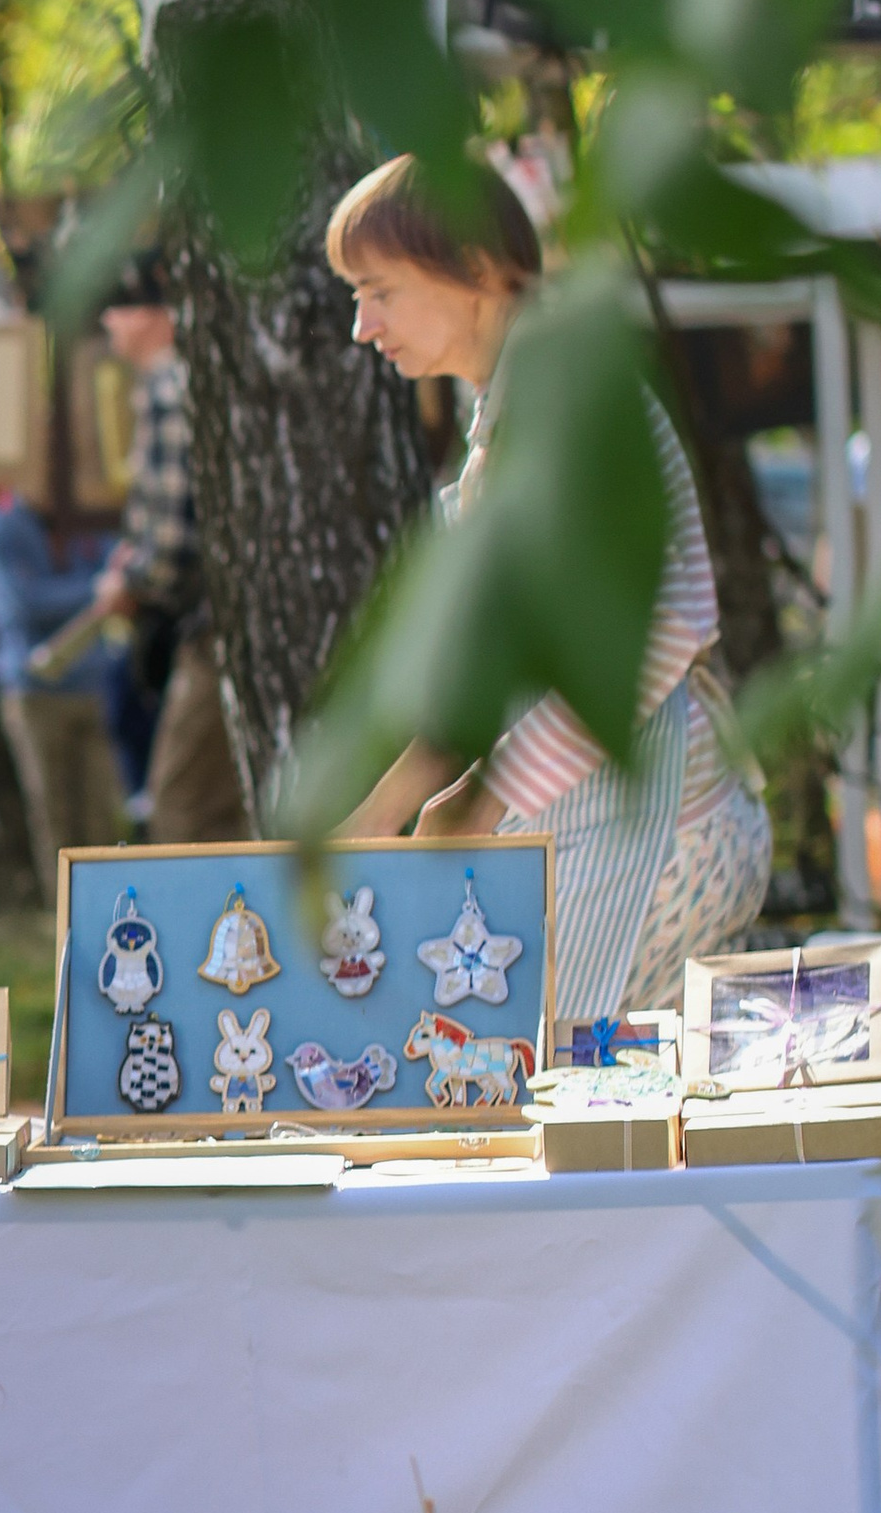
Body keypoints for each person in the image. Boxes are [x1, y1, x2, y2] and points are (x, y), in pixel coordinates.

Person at [327, 151, 771, 1018]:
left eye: (379, 291)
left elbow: (650, 641)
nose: (362, 326)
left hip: (654, 844)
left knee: (572, 1096)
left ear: (477, 269)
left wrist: (481, 799)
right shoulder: (513, 406)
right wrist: (381, 814)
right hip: (598, 836)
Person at [91, 282, 247, 844]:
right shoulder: (192, 381)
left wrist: (129, 583)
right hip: (221, 626)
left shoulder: (167, 384)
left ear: (159, 315)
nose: (109, 321)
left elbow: (174, 545)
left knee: (183, 809)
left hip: (212, 628)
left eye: (121, 306)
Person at [0, 488, 122, 887]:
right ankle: (65, 916)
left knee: (103, 815)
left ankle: (114, 910)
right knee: (55, 817)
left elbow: (118, 574)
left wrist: (107, 587)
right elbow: (23, 602)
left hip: (93, 683)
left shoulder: (90, 515)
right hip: (34, 691)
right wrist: (95, 590)